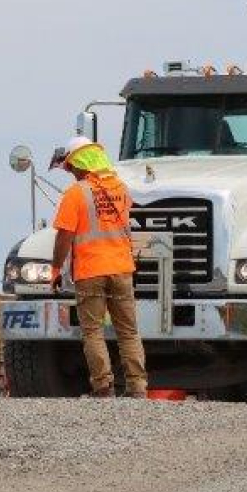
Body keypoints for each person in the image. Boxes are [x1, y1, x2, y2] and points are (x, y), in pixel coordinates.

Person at [49, 135, 148, 398]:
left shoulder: (76, 193)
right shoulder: (120, 188)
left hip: (91, 272)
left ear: (79, 164)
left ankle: (103, 387)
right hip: (122, 269)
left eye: (71, 167)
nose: (71, 172)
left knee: (93, 332)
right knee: (128, 332)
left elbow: (64, 237)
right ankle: (138, 387)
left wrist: (56, 269)